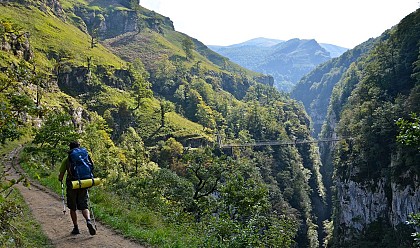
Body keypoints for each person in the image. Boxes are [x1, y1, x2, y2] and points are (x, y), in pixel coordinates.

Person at [58, 141, 96, 235]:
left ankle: (76, 228)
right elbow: (92, 167)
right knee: (84, 205)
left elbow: (61, 176)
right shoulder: (84, 157)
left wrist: (60, 179)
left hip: (72, 185)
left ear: (70, 148)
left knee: (72, 207)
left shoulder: (67, 159)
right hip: (83, 183)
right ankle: (88, 220)